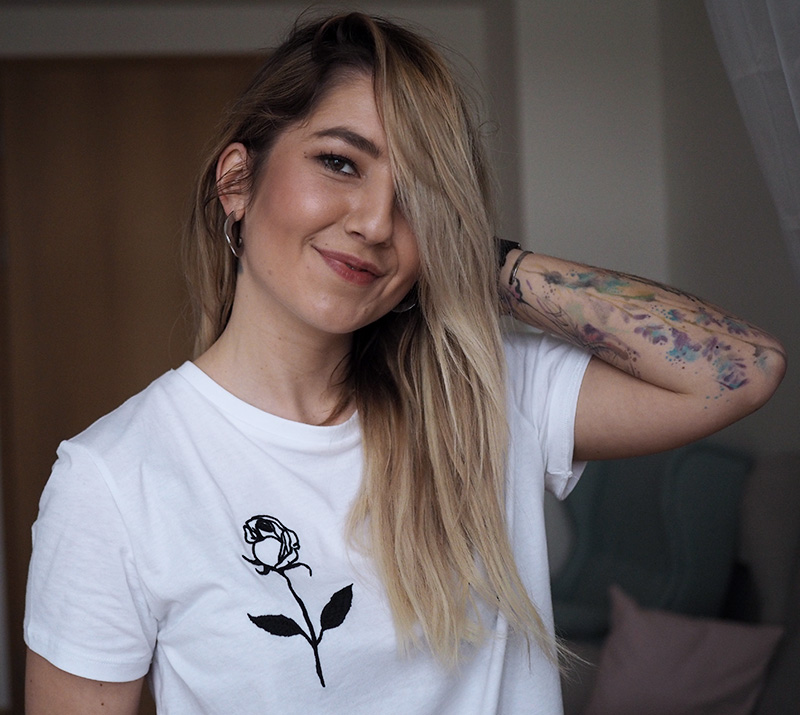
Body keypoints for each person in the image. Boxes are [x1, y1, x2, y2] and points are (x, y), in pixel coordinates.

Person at [23, 11, 786, 715]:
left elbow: (745, 366)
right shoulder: (112, 480)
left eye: (419, 196)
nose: (377, 222)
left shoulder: (488, 391)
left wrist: (480, 260)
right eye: (340, 163)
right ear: (237, 182)